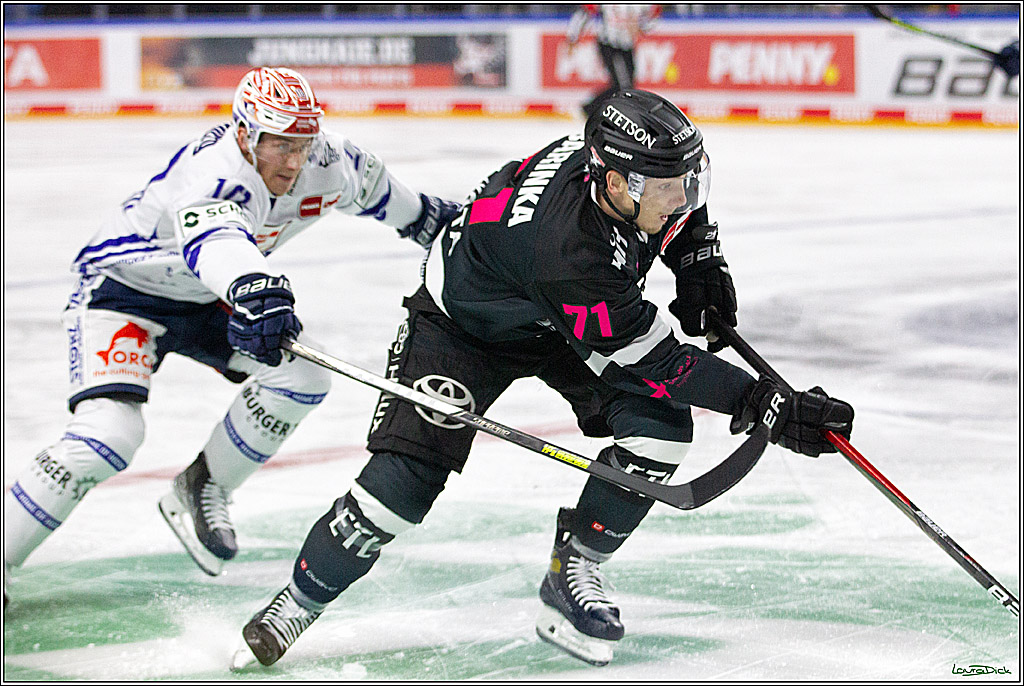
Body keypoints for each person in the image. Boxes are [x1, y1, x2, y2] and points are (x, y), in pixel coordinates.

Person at [230, 89, 855, 670]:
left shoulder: (622, 172)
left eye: (687, 182)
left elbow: (676, 195)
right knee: (405, 482)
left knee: (658, 431)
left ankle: (575, 564)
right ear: (614, 182)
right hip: (463, 328)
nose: (683, 199)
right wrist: (763, 402)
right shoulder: (568, 254)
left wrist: (697, 258)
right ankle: (300, 599)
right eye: (668, 189)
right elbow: (662, 361)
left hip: (553, 320)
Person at [2, 66, 460, 602]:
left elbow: (417, 214)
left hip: (208, 297)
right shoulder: (213, 173)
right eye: (279, 146)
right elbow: (216, 242)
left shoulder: (332, 163)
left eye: (302, 144)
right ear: (245, 134)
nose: (293, 162)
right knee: (109, 435)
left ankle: (204, 484)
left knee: (303, 378)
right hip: (123, 294)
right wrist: (254, 288)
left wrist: (469, 238)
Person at [567, 4, 661, 117]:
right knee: (620, 85)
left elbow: (650, 21)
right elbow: (585, 13)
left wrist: (640, 27)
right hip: (608, 44)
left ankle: (593, 109)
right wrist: (573, 38)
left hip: (627, 45)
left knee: (628, 86)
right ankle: (590, 109)